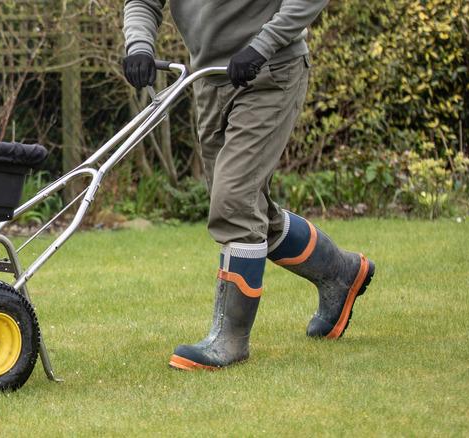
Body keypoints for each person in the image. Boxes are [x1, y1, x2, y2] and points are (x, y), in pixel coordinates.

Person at [122, 0, 376, 371]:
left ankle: (229, 340)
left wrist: (263, 44)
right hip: (209, 78)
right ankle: (340, 273)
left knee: (235, 202)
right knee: (245, 208)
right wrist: (139, 45)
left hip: (271, 70)